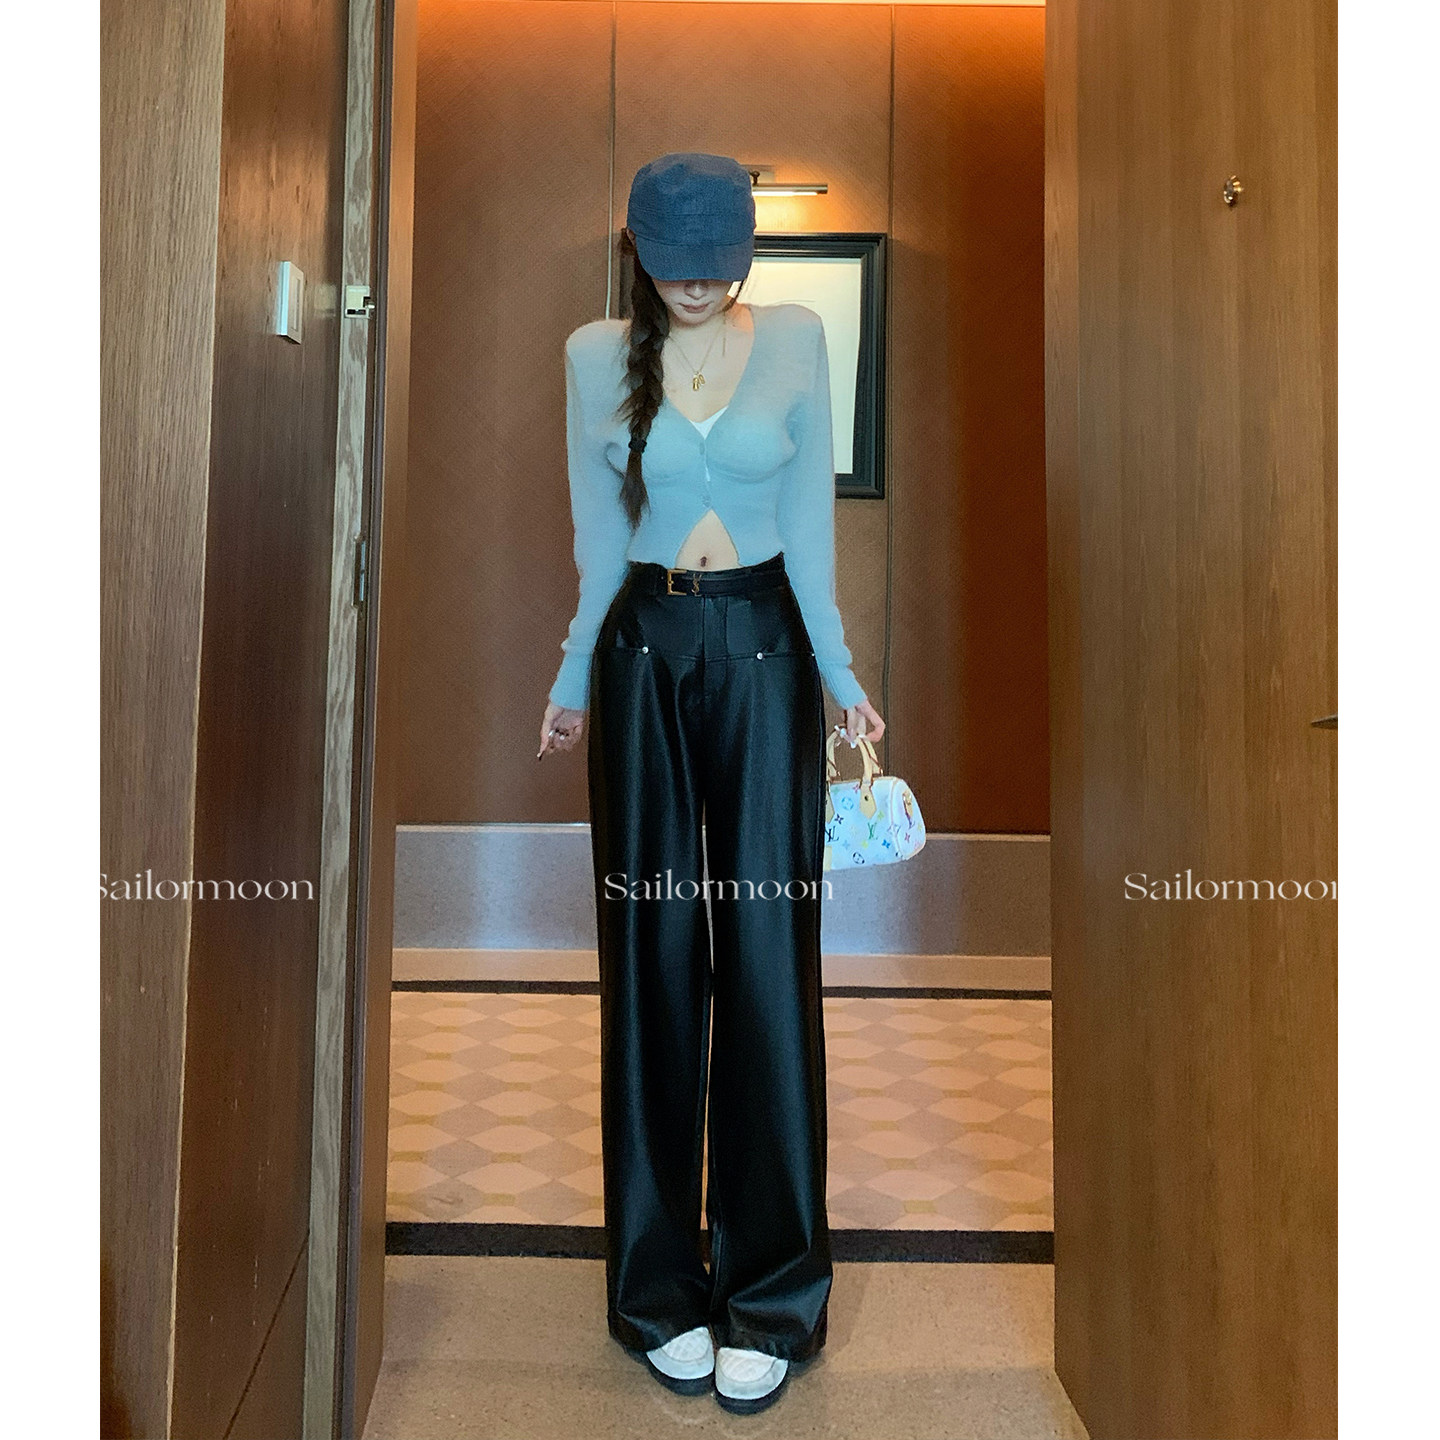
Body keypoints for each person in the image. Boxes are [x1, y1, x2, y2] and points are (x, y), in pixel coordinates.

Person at [536, 151, 885, 1415]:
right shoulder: (592, 355)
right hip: (641, 654)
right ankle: (657, 1291)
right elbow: (595, 541)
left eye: (718, 265)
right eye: (676, 266)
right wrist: (573, 676)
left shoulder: (793, 340)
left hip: (766, 655)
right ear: (638, 252)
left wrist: (840, 676)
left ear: (746, 255)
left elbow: (814, 530)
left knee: (768, 957)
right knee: (651, 952)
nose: (697, 287)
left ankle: (773, 1294)